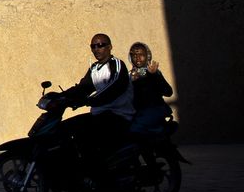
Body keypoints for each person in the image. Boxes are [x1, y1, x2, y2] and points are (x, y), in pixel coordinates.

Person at [59, 33, 135, 164]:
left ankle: (99, 177)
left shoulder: (116, 65)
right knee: (65, 127)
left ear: (110, 47)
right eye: (93, 46)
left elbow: (115, 86)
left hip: (118, 115)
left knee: (87, 138)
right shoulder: (94, 68)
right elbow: (83, 87)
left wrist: (89, 100)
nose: (96, 49)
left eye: (100, 45)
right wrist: (60, 96)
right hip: (99, 114)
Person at [128, 41, 174, 135]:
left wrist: (154, 76)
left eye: (141, 54)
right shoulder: (129, 76)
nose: (137, 58)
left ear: (148, 56)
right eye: (134, 55)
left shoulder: (154, 73)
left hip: (154, 113)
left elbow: (168, 92)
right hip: (136, 115)